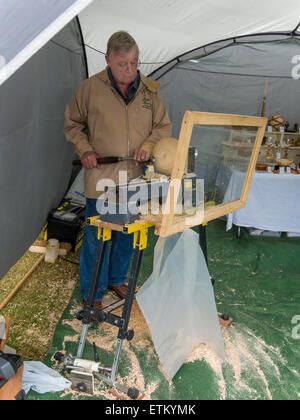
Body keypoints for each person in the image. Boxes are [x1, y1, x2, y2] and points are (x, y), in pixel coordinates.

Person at [64, 31, 172, 308]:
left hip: (136, 175)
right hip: (101, 175)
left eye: (134, 63)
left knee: (129, 230)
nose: (130, 70)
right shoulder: (88, 89)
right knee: (97, 236)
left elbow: (163, 126)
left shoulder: (150, 91)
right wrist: (84, 149)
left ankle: (116, 279)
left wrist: (148, 145)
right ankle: (93, 292)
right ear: (108, 60)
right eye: (122, 64)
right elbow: (72, 125)